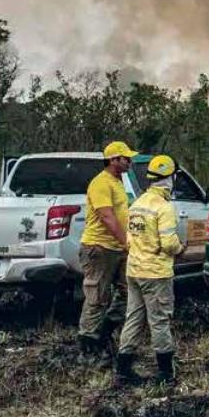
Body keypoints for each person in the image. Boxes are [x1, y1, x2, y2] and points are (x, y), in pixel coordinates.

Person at [117, 155, 184, 385]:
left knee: (133, 318)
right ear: (170, 179)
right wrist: (180, 248)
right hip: (156, 274)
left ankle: (122, 370)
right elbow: (169, 244)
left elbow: (129, 240)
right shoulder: (164, 207)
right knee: (160, 321)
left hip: (134, 271)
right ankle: (166, 373)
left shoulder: (137, 204)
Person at [78, 141, 136, 360]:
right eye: (126, 158)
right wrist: (126, 242)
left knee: (128, 292)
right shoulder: (101, 183)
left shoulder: (119, 182)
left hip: (118, 248)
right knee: (97, 297)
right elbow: (106, 216)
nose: (129, 162)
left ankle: (104, 334)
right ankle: (88, 347)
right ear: (113, 160)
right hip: (99, 247)